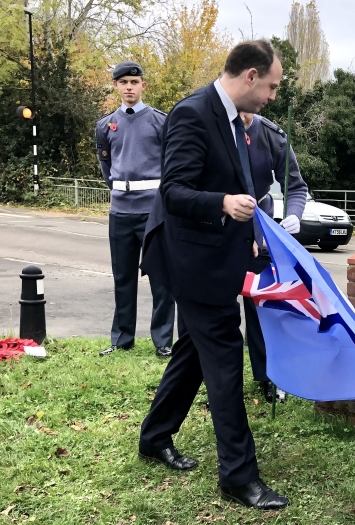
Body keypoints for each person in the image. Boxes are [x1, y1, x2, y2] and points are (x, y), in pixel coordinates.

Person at [137, 40, 288, 511]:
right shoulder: (193, 113)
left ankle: (155, 436)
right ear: (249, 76)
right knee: (224, 356)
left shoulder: (238, 122)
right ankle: (238, 476)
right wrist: (222, 203)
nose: (272, 96)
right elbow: (174, 191)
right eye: (271, 86)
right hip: (191, 261)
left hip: (222, 256)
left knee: (195, 352)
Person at [95, 61, 175, 358]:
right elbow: (106, 165)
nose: (129, 86)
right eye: (123, 82)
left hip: (153, 211)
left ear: (143, 85)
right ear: (115, 85)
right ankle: (121, 338)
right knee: (122, 277)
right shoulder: (105, 125)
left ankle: (163, 341)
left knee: (162, 278)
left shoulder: (160, 121)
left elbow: (172, 164)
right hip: (120, 211)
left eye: (134, 81)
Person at [240, 109, 308, 404]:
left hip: (260, 227)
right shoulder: (212, 128)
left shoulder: (272, 135)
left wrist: (293, 216)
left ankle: (268, 376)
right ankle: (219, 378)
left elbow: (296, 187)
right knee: (218, 313)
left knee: (260, 308)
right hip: (218, 228)